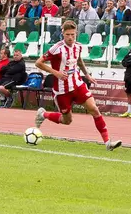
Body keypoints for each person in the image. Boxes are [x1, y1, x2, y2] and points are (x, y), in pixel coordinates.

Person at [33, 20, 122, 151]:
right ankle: (43, 115)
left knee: (94, 109)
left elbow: (79, 60)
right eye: (68, 34)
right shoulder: (56, 48)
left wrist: (86, 74)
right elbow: (38, 63)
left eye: (73, 35)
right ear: (63, 34)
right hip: (62, 90)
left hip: (78, 84)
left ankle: (108, 142)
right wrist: (55, 73)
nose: (70, 37)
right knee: (67, 120)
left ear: (76, 34)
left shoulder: (78, 46)